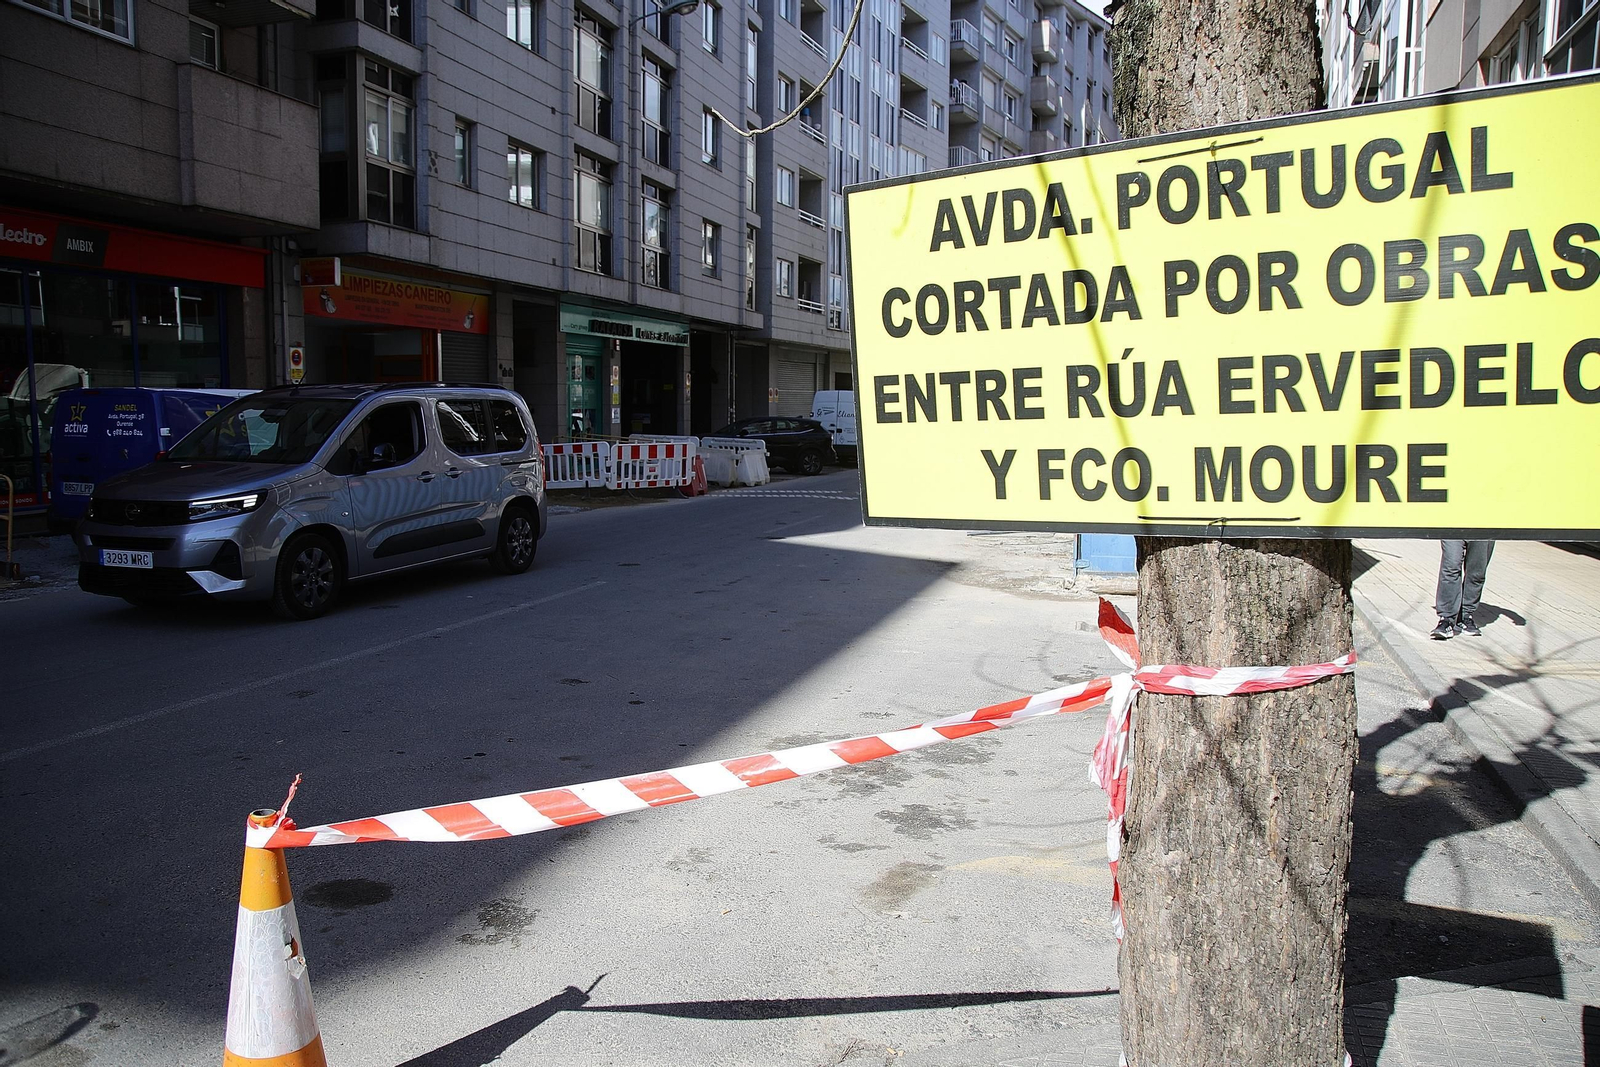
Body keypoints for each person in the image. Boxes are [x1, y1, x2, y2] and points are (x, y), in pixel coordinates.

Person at [1431, 539, 1494, 639]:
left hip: (1483, 528)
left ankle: (1465, 615)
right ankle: (1446, 618)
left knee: (1476, 573)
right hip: (1454, 527)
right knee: (1451, 566)